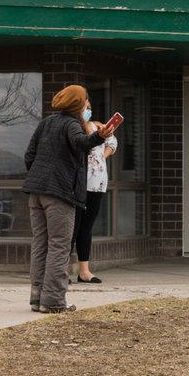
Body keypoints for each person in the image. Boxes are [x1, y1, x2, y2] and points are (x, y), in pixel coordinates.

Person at [23, 85, 114, 313]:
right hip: (59, 193)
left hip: (36, 192)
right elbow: (79, 143)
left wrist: (40, 178)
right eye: (85, 102)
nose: (87, 106)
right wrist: (99, 137)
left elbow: (29, 155)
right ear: (77, 103)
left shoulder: (46, 123)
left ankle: (37, 297)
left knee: (40, 243)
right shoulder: (72, 124)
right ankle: (53, 300)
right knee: (59, 245)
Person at [71, 100, 118, 284]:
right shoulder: (74, 128)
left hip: (97, 184)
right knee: (71, 229)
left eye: (90, 107)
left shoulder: (98, 126)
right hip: (78, 185)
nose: (88, 110)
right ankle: (60, 271)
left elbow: (112, 142)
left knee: (86, 228)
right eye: (85, 107)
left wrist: (101, 157)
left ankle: (84, 272)